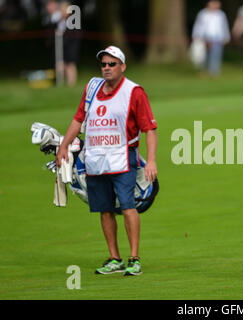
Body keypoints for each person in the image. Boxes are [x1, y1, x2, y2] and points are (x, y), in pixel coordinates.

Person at [56, 46, 158, 276]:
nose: (107, 68)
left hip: (123, 158)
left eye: (112, 64)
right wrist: (63, 146)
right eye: (103, 64)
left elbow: (150, 129)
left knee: (128, 206)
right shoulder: (92, 88)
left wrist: (151, 161)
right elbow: (78, 119)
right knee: (104, 209)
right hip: (95, 159)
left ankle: (134, 259)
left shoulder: (134, 91)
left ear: (122, 66)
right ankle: (114, 258)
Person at [192, 0, 230, 77]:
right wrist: (196, 35)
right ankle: (204, 71)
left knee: (216, 55)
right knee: (204, 56)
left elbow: (224, 26)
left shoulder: (221, 15)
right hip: (204, 37)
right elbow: (198, 25)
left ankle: (214, 72)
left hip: (217, 38)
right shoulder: (203, 14)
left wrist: (226, 37)